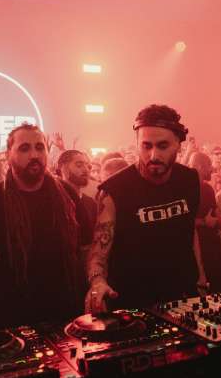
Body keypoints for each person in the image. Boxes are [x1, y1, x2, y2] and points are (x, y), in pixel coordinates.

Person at [86, 104, 207, 314]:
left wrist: (201, 277)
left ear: (179, 144)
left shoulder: (189, 180)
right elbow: (99, 250)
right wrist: (97, 283)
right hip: (132, 304)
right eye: (146, 146)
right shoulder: (114, 191)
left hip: (183, 297)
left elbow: (189, 231)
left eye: (162, 146)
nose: (153, 155)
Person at [0, 124, 81, 328]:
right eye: (24, 148)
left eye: (39, 147)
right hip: (11, 315)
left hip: (64, 310)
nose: (34, 154)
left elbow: (83, 247)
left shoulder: (66, 192)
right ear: (8, 155)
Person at [57, 149, 98, 249]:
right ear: (63, 169)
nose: (86, 170)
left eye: (88, 166)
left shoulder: (91, 202)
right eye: (79, 165)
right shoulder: (54, 199)